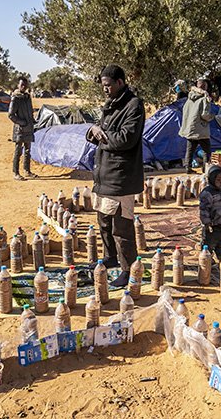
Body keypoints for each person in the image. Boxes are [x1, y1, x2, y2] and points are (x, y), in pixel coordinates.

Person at [86, 65, 145, 287]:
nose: (105, 90)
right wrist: (93, 130)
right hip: (105, 175)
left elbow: (125, 139)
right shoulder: (110, 104)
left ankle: (129, 268)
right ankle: (111, 257)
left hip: (121, 176)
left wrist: (101, 135)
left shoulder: (133, 105)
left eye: (108, 85)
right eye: (103, 86)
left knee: (122, 227)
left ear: (120, 82)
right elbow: (99, 130)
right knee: (104, 221)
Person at [179, 78, 215, 174]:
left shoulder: (189, 98)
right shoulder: (204, 99)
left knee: (190, 149)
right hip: (201, 129)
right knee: (206, 150)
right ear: (204, 87)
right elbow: (205, 115)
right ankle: (205, 169)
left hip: (190, 128)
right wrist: (212, 117)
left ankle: (187, 167)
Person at [199, 164, 221, 260]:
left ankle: (219, 253)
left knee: (220, 239)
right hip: (212, 223)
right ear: (212, 179)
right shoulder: (207, 193)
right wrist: (206, 222)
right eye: (218, 180)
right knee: (209, 241)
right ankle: (206, 257)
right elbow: (204, 209)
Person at [8, 76, 37, 180]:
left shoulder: (27, 97)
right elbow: (11, 115)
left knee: (28, 151)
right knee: (18, 151)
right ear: (18, 85)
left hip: (29, 128)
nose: (23, 87)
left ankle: (27, 171)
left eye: (25, 85)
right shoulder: (15, 98)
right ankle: (16, 173)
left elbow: (30, 111)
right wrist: (22, 123)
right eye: (22, 85)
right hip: (20, 130)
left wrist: (33, 120)